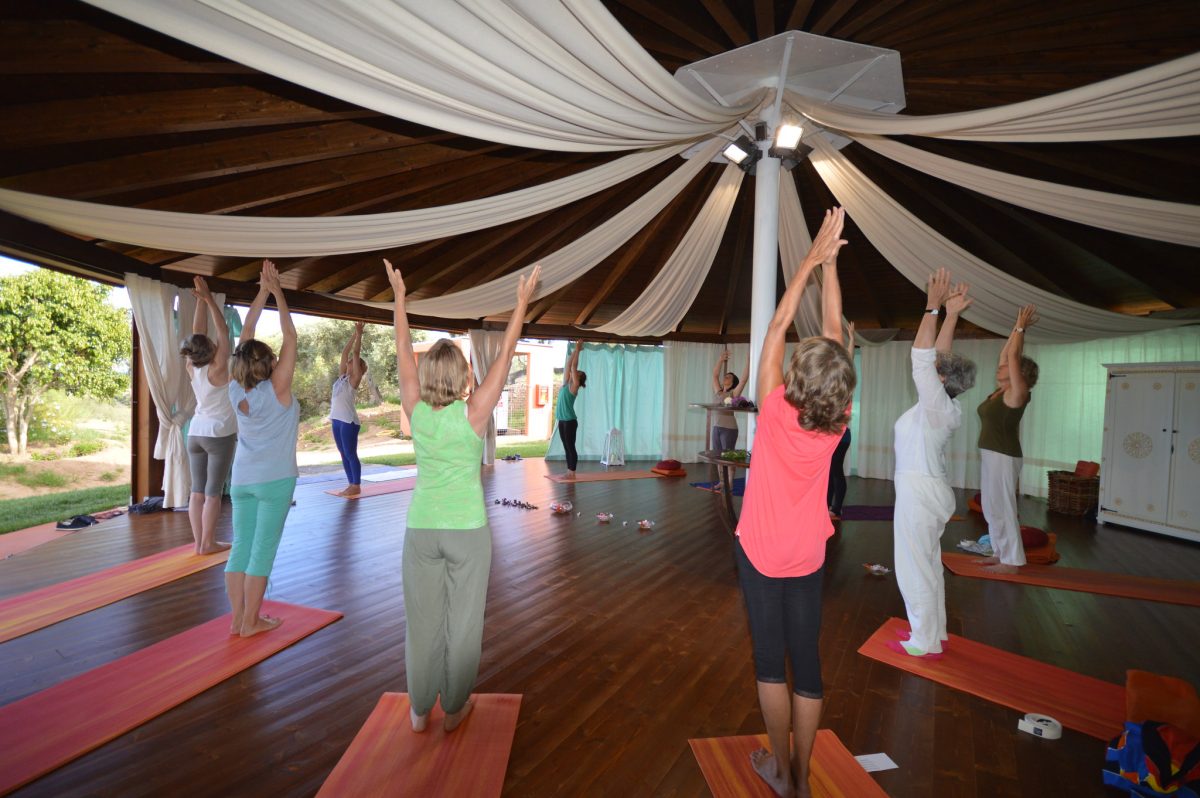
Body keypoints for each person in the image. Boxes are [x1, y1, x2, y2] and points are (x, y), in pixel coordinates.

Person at [386, 258, 540, 734]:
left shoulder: (416, 408)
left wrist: (400, 302)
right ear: (462, 377)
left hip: (421, 530)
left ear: (429, 374)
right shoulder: (474, 412)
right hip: (468, 533)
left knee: (423, 623)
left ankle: (418, 711)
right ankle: (453, 709)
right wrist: (519, 305)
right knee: (464, 624)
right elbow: (508, 351)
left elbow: (401, 356)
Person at [736, 208, 855, 798]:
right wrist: (832, 266)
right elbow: (835, 334)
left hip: (760, 552)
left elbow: (781, 323)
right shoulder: (838, 420)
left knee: (769, 664)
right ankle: (804, 777)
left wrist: (810, 261)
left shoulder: (774, 406)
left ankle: (780, 773)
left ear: (795, 379)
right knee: (806, 663)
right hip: (808, 554)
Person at [890, 269, 977, 659]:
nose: (933, 369)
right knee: (928, 563)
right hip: (929, 489)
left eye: (936, 371)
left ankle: (923, 640)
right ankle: (934, 633)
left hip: (920, 491)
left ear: (940, 379)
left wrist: (932, 307)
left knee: (914, 568)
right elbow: (935, 359)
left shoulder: (937, 405)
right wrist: (951, 315)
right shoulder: (943, 405)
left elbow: (923, 358)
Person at [225, 260, 299, 638]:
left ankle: (238, 619)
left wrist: (261, 291)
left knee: (241, 546)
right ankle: (251, 623)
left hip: (242, 480)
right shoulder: (279, 388)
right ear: (269, 364)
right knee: (262, 550)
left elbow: (248, 334)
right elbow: (291, 337)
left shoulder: (235, 388)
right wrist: (278, 292)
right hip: (275, 481)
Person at [975, 304, 1039, 574]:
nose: (1001, 366)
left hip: (1004, 455)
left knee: (1003, 506)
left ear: (1018, 374)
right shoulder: (1000, 391)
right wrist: (1015, 327)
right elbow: (1007, 353)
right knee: (991, 507)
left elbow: (1013, 355)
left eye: (1008, 367)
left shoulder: (1017, 393)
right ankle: (1000, 552)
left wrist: (1022, 329)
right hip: (992, 454)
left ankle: (1012, 560)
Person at [179, 276, 236, 555]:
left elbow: (197, 333)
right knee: (213, 492)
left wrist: (200, 301)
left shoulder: (192, 366)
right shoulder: (219, 369)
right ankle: (208, 544)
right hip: (219, 435)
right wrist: (211, 301)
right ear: (210, 348)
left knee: (197, 492)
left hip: (195, 433)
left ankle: (198, 544)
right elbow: (222, 331)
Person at [330, 321, 368, 497]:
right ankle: (350, 484)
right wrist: (354, 333)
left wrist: (360, 334)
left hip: (348, 421)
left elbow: (355, 352)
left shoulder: (354, 380)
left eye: (353, 362)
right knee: (343, 453)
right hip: (337, 420)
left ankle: (356, 484)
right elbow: (346, 352)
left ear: (358, 368)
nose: (349, 361)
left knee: (350, 453)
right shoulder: (342, 378)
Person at [555, 340, 586, 479]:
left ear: (579, 378)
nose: (575, 372)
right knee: (566, 446)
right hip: (562, 420)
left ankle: (572, 472)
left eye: (577, 373)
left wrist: (578, 349)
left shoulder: (574, 386)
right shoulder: (566, 383)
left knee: (570, 446)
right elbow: (569, 365)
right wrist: (575, 350)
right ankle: (569, 471)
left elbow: (573, 366)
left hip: (570, 421)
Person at [710, 349, 749, 452]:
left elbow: (744, 380)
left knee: (728, 458)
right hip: (716, 428)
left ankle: (730, 469)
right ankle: (720, 469)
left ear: (733, 382)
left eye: (728, 377)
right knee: (717, 457)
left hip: (729, 428)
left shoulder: (734, 394)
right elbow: (715, 376)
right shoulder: (718, 391)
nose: (725, 377)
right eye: (725, 376)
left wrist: (749, 361)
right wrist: (720, 360)